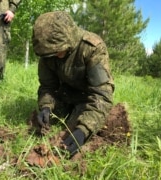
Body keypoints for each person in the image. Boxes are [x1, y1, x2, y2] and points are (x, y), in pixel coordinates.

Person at [32, 11, 114, 157]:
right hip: (63, 96)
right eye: (50, 53)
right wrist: (45, 107)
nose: (55, 56)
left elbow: (102, 94)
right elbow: (47, 86)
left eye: (58, 51)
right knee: (42, 123)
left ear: (68, 40)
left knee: (76, 130)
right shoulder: (48, 52)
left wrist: (84, 130)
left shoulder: (92, 48)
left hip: (87, 99)